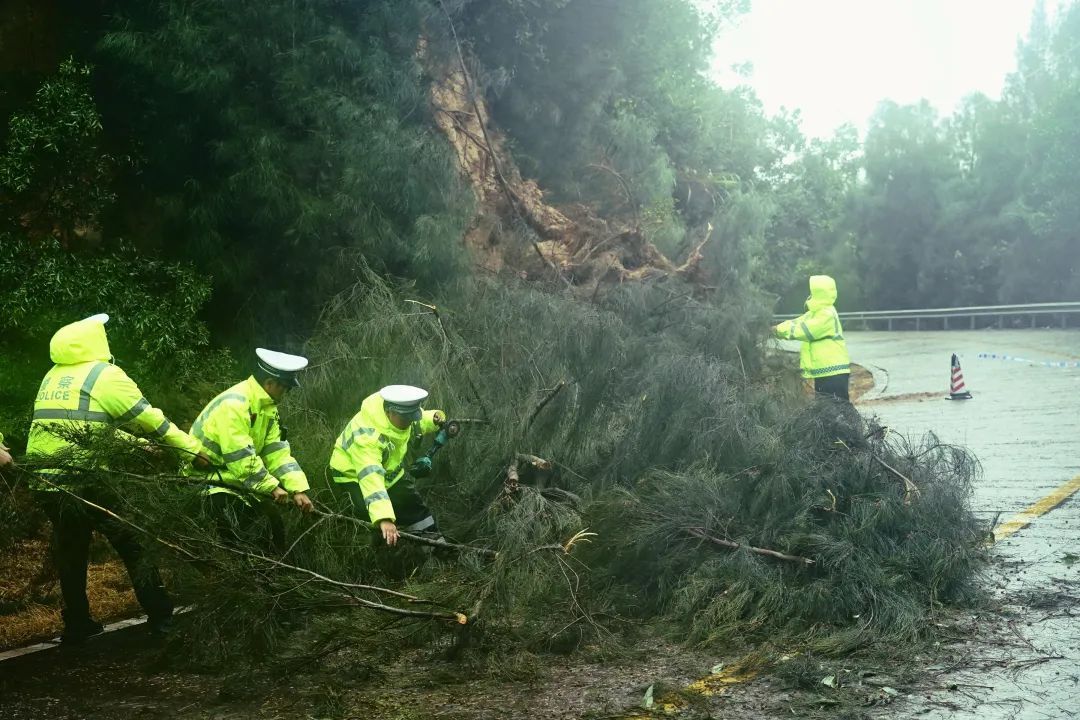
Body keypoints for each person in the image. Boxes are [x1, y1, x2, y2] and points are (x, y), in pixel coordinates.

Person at [25, 313, 204, 642]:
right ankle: (163, 620)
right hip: (86, 479)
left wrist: (137, 446)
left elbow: (85, 428)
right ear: (99, 342)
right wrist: (191, 451)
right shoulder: (104, 375)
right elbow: (152, 419)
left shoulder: (53, 376)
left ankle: (77, 626)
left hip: (46, 482)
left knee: (72, 552)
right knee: (133, 544)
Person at [188, 348, 313, 550]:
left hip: (233, 480)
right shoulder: (235, 405)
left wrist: (297, 488)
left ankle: (270, 574)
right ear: (270, 383)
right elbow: (240, 456)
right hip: (205, 480)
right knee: (247, 532)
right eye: (285, 388)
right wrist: (271, 486)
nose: (286, 393)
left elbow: (278, 453)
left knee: (274, 525)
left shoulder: (267, 409)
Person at [329, 385, 445, 547]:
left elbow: (418, 423)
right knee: (370, 520)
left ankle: (437, 549)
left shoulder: (402, 416)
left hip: (389, 474)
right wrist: (384, 518)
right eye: (406, 419)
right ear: (390, 412)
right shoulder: (367, 438)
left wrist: (434, 418)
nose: (409, 423)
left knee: (414, 507)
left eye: (412, 417)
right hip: (353, 477)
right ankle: (380, 554)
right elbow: (371, 477)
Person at [773, 275, 851, 402]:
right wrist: (776, 329)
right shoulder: (815, 313)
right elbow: (795, 323)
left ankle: (852, 422)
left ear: (819, 293)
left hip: (834, 372)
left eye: (812, 292)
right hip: (824, 372)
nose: (809, 295)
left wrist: (777, 331)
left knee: (838, 409)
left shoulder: (827, 314)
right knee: (826, 411)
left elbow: (805, 330)